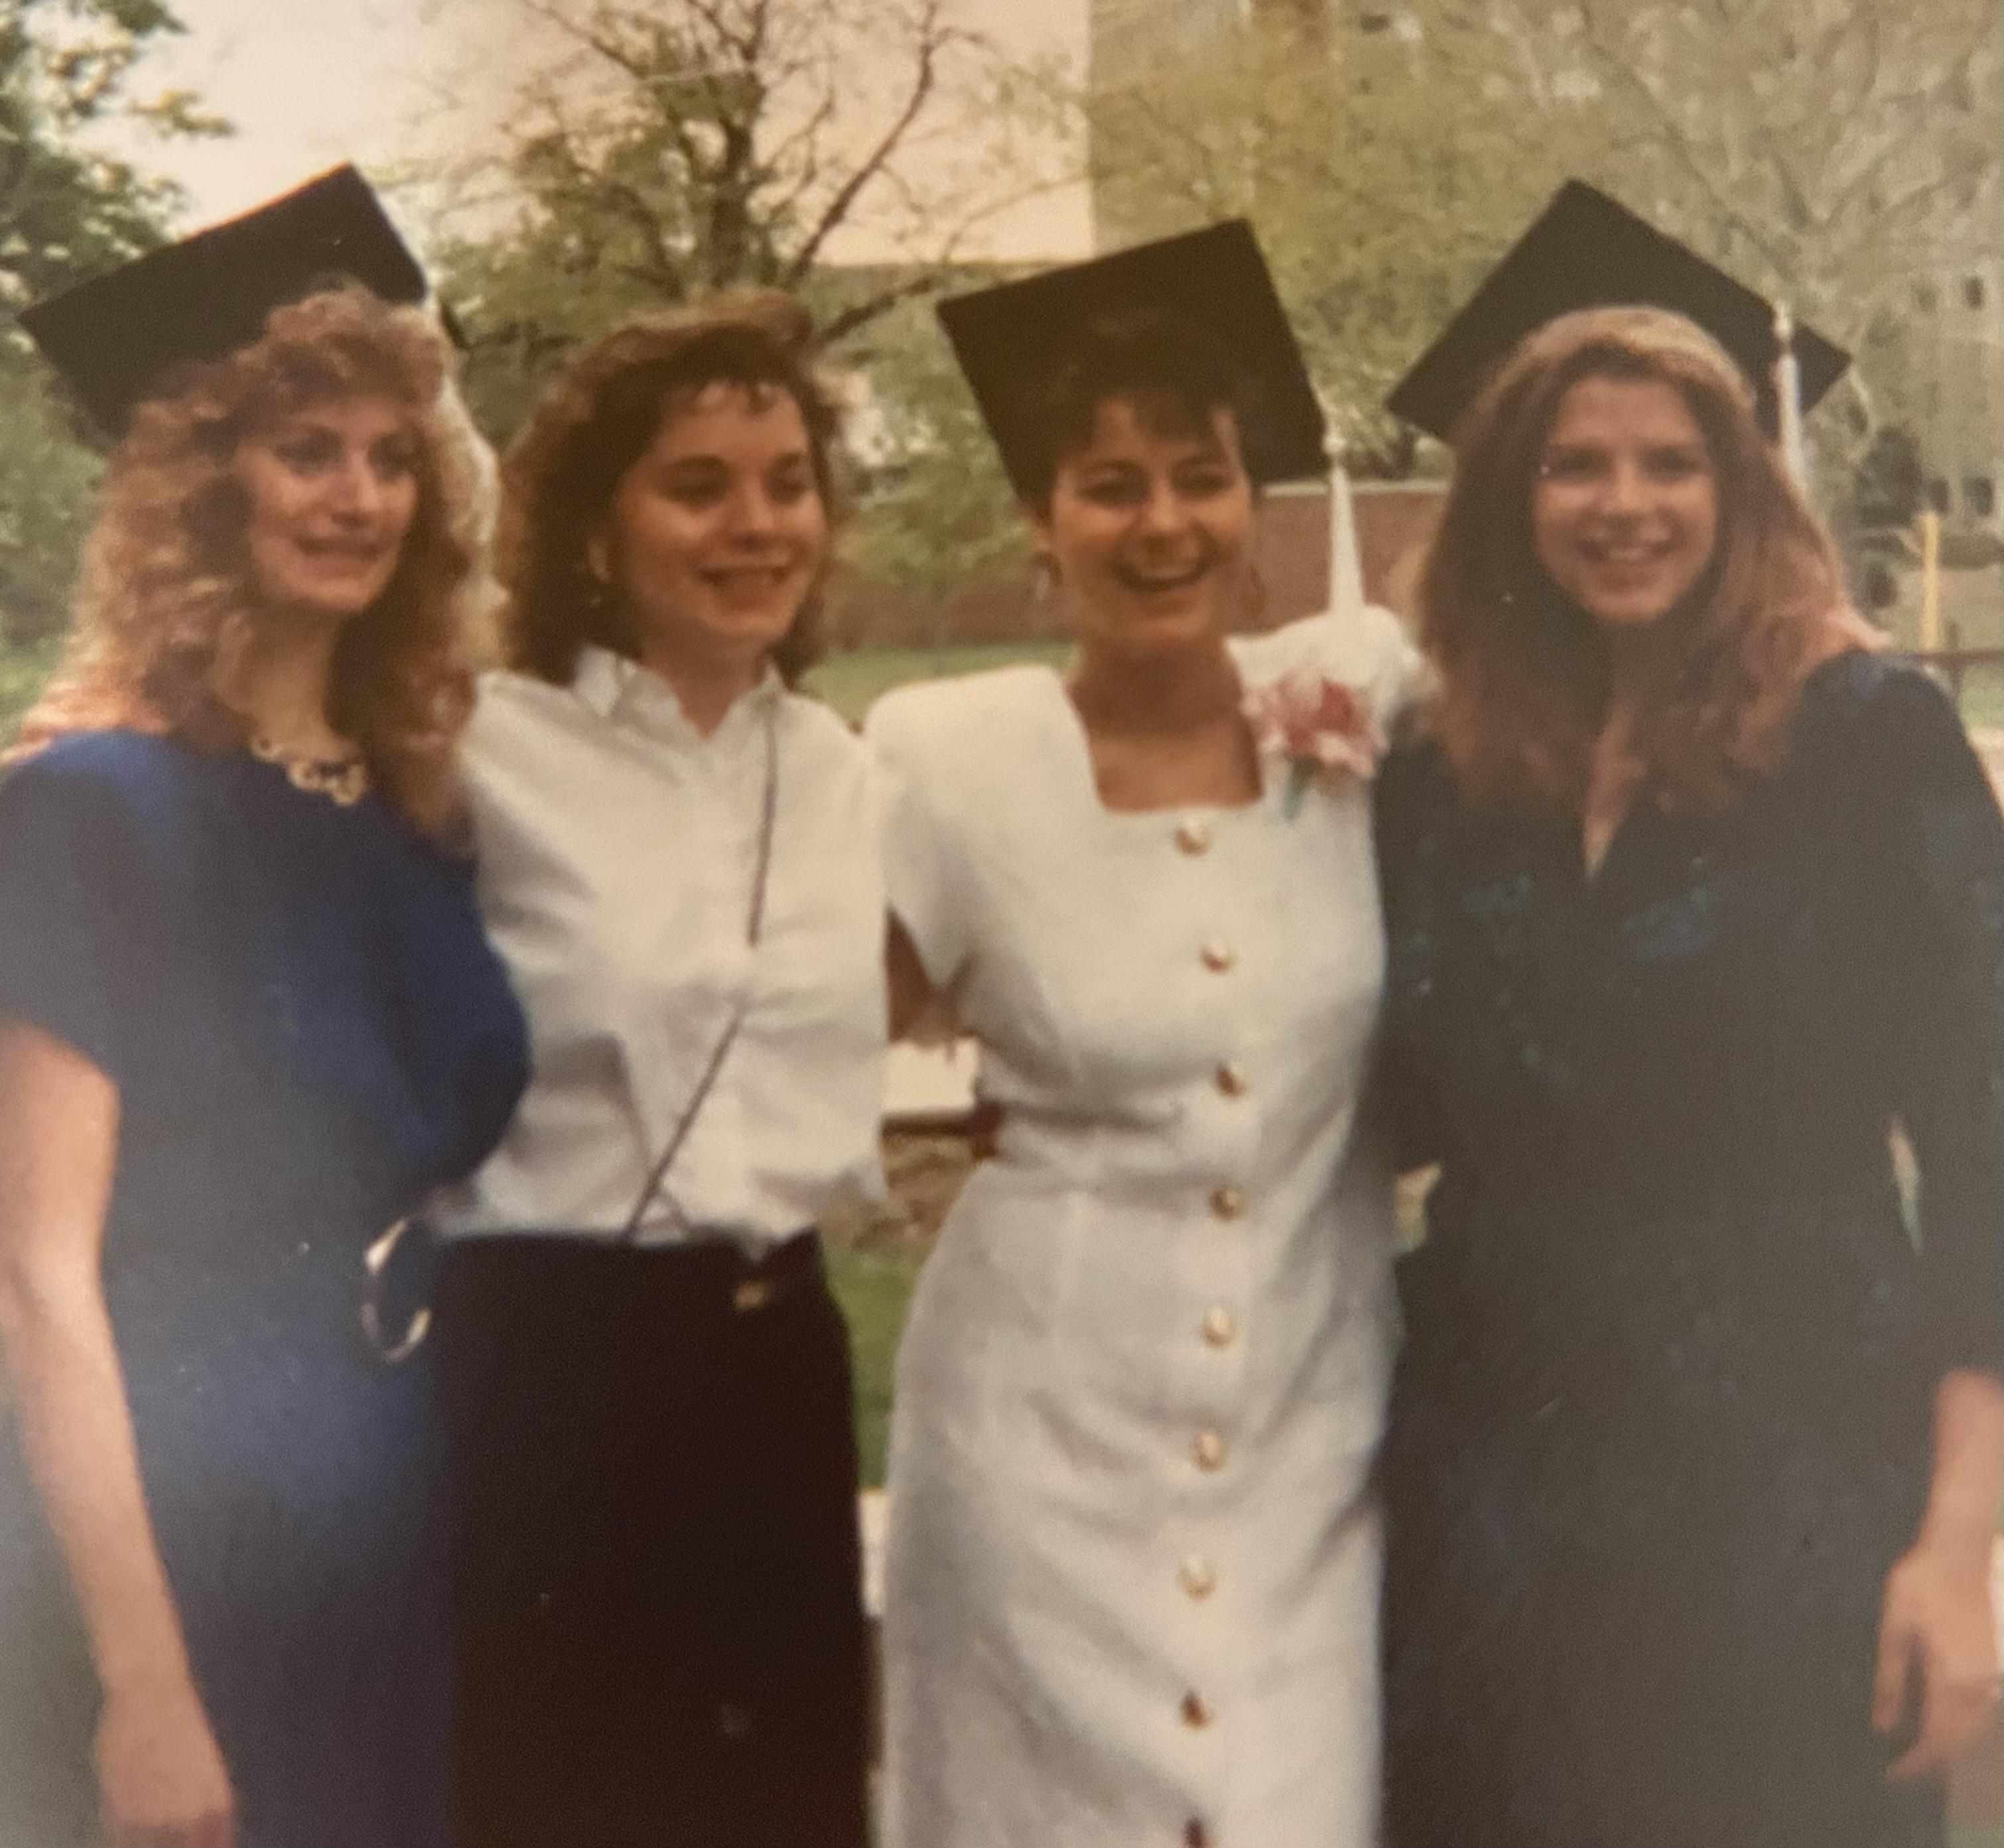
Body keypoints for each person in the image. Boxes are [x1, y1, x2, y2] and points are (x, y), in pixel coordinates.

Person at [1372, 182, 2003, 1848]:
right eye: (1572, 463)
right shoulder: (1437, 777)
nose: (1622, 503)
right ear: (1510, 501)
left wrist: (1955, 1548)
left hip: (1788, 1468)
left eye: (1671, 462)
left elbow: (1984, 1144)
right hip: (1497, 1473)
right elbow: (1379, 1097)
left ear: (1740, 492)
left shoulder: (1862, 740)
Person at [868, 222, 1420, 1848]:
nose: (1161, 520)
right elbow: (800, 1038)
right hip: (1037, 1438)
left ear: (1253, 516)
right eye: (1108, 485)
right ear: (1040, 527)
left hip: (1314, 1435)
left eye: (1200, 476)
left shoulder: (1358, 721)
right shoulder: (950, 763)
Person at [0, 168, 529, 1848]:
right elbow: (33, 1276)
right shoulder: (91, 808)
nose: (360, 495)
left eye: (392, 458)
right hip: (175, 1526)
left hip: (387, 1497)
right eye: (309, 450)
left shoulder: (411, 812)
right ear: (201, 482)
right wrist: (146, 1690)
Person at [429, 293, 881, 1848]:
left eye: (786, 479)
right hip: (554, 1371)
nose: (755, 524)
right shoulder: (474, 749)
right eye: (698, 485)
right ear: (596, 533)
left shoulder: (845, 770)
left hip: (779, 1363)